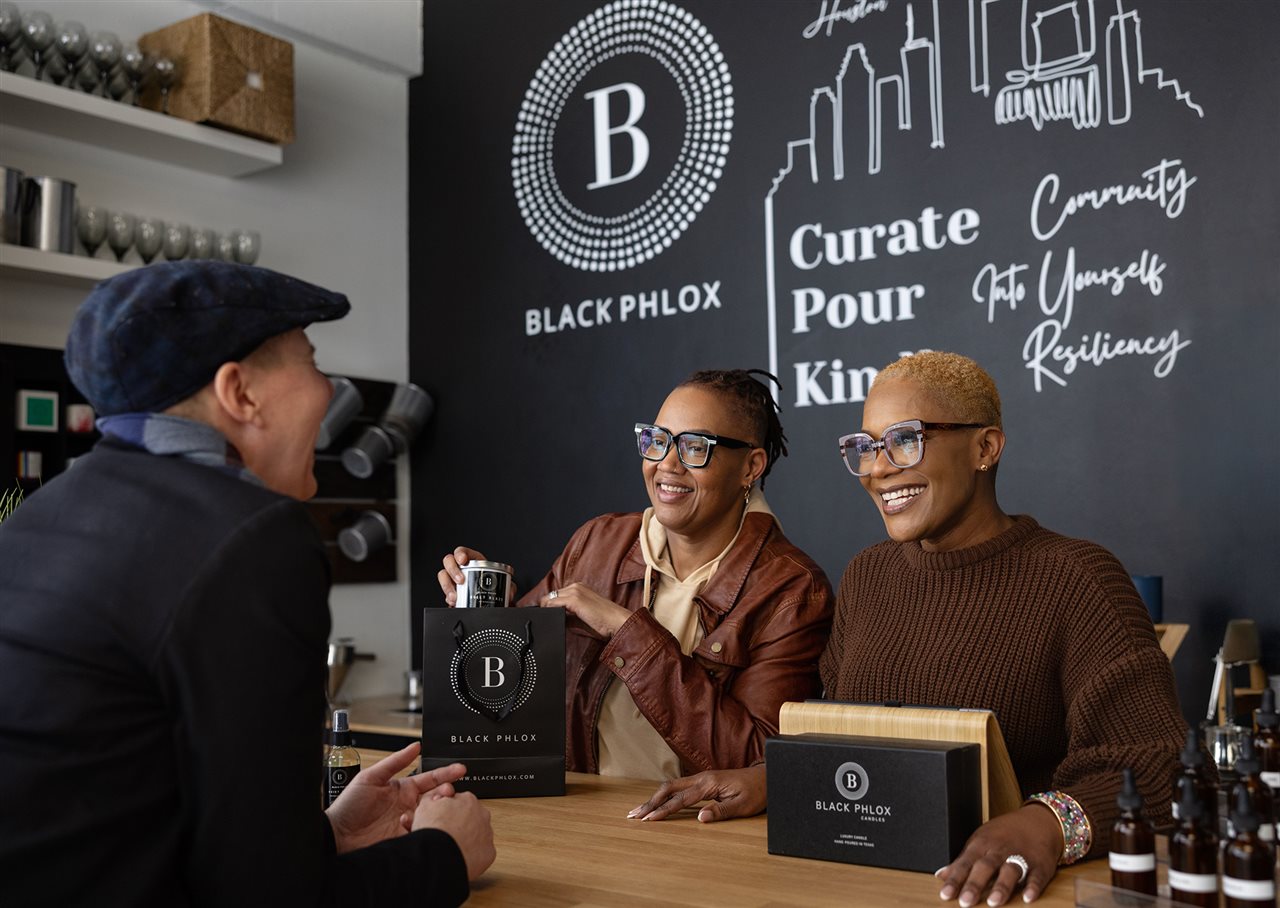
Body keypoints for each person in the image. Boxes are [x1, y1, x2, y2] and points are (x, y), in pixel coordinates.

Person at [0, 262, 495, 906]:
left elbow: (122, 815)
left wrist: (326, 833)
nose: (328, 390)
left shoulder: (40, 515)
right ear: (240, 393)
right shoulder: (254, 537)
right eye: (313, 364)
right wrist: (444, 856)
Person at [631, 351, 1185, 906]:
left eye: (904, 441)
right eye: (866, 447)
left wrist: (1043, 824)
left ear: (984, 448)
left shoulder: (1078, 579)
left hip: (1002, 892)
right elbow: (856, 747)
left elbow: (1161, 770)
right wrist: (770, 778)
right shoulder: (870, 576)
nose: (877, 469)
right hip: (866, 886)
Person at [439, 369, 834, 780]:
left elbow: (758, 765)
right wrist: (489, 614)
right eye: (658, 441)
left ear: (750, 466)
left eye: (694, 447)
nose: (666, 464)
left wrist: (628, 630)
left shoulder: (792, 589)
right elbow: (515, 683)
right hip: (578, 817)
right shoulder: (596, 543)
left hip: (697, 831)